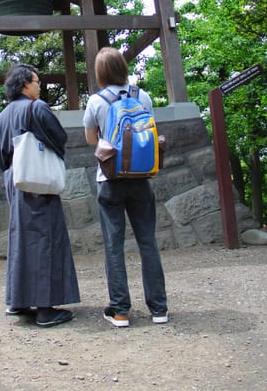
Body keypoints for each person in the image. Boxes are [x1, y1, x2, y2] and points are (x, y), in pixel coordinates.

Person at [83, 47, 168, 328]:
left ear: (100, 72)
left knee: (113, 245)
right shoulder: (142, 96)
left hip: (109, 180)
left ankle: (120, 311)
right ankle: (159, 309)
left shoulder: (96, 101)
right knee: (148, 242)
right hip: (141, 178)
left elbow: (91, 140)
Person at [0, 63, 80, 327]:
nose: (40, 86)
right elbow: (59, 138)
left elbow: (0, 156)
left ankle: (17, 301)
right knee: (45, 237)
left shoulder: (2, 116)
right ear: (24, 84)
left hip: (14, 179)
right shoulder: (37, 108)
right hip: (37, 180)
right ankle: (45, 309)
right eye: (36, 81)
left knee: (21, 238)